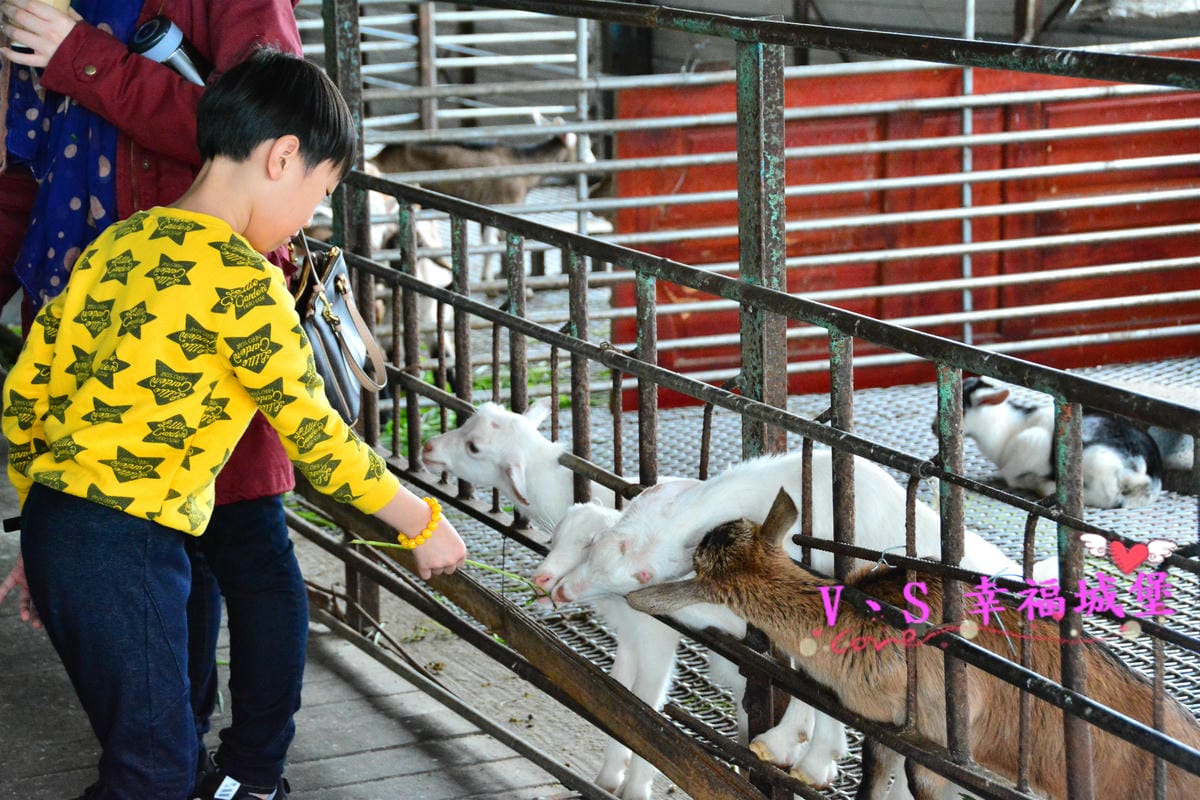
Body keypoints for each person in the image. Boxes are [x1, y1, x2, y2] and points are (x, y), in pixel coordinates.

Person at [3, 45, 468, 800]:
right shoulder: (246, 283)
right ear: (283, 158)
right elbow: (317, 437)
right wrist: (420, 522)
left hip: (64, 526)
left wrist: (41, 522)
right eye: (320, 194)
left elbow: (29, 391)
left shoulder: (120, 242)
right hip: (128, 541)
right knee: (153, 772)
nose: (307, 220)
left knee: (152, 756)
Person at [0, 2, 323, 796]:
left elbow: (256, 136)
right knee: (166, 559)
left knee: (244, 542)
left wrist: (83, 57)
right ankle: (177, 754)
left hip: (210, 318)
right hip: (99, 317)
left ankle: (249, 774)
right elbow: (24, 172)